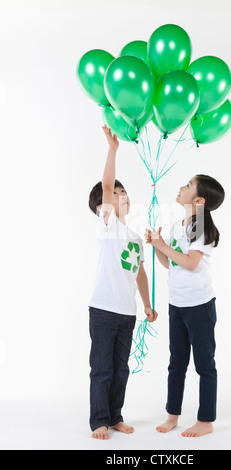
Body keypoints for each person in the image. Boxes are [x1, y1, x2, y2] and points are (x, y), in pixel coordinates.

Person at [88, 125, 158, 440]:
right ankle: (99, 420)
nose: (121, 194)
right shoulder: (108, 226)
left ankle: (115, 416)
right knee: (102, 369)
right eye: (115, 193)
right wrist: (113, 150)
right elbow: (105, 183)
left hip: (127, 313)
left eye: (123, 190)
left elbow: (140, 272)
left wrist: (146, 305)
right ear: (102, 206)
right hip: (103, 310)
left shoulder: (133, 236)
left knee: (121, 369)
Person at [145, 174, 225, 438]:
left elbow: (191, 263)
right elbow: (171, 263)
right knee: (176, 362)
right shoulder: (179, 224)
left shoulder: (201, 225)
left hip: (199, 306)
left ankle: (205, 420)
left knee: (204, 364)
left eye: (188, 186)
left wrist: (163, 246)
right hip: (177, 304)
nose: (182, 187)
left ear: (199, 200)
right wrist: (159, 247)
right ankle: (172, 415)